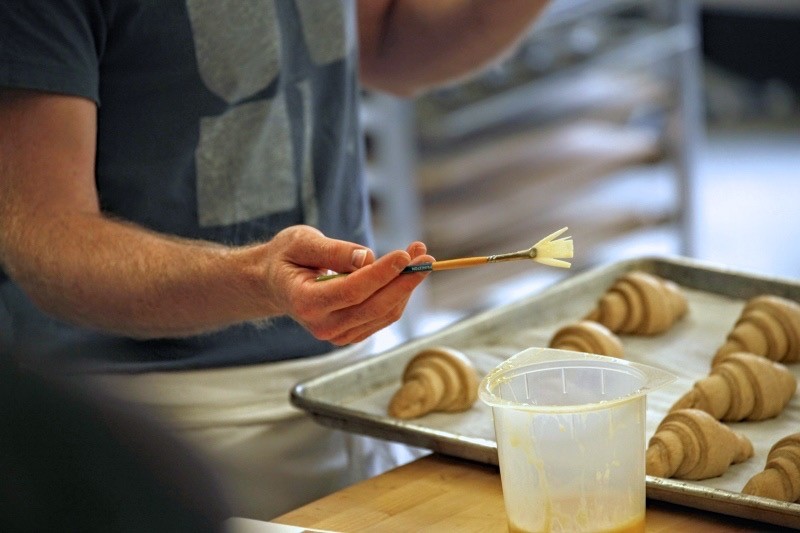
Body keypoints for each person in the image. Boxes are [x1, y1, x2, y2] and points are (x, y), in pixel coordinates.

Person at [0, 0, 550, 521]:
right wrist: (258, 280)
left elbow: (388, 46)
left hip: (357, 390)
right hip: (162, 424)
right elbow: (45, 236)